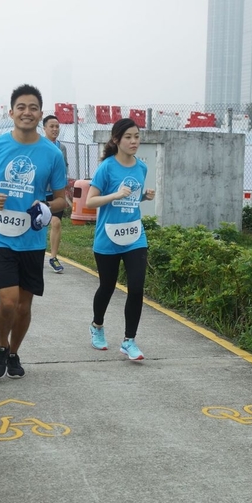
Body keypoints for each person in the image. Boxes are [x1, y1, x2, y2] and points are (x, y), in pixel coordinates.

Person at [0, 84, 67, 380]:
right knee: (8, 301)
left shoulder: (52, 154)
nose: (27, 112)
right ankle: (1, 345)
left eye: (33, 108)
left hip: (32, 239)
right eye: (21, 107)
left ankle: (13, 353)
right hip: (1, 235)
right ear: (11, 112)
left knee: (24, 306)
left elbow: (62, 199)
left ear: (40, 114)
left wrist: (46, 206)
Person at [85, 118, 155, 361]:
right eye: (128, 137)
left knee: (136, 287)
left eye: (137, 136)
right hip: (108, 236)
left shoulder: (141, 167)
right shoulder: (106, 168)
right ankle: (97, 326)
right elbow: (90, 201)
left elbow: (131, 199)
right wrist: (114, 194)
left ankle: (129, 341)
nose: (134, 141)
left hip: (134, 235)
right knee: (107, 286)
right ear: (116, 140)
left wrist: (143, 197)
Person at [43, 115, 68, 273]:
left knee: (56, 222)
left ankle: (53, 257)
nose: (54, 129)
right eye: (51, 126)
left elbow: (64, 168)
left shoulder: (61, 148)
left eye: (57, 126)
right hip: (40, 192)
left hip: (56, 193)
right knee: (38, 224)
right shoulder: (39, 146)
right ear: (44, 128)